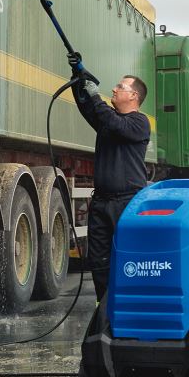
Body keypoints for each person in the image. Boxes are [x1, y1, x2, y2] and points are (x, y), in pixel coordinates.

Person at [68, 56, 150, 301]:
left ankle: (132, 305)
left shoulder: (139, 123)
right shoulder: (108, 122)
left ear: (134, 96)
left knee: (128, 257)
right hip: (102, 203)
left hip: (126, 203)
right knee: (99, 261)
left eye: (120, 87)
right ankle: (104, 307)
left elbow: (114, 123)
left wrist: (96, 95)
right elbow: (88, 107)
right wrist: (78, 78)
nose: (114, 89)